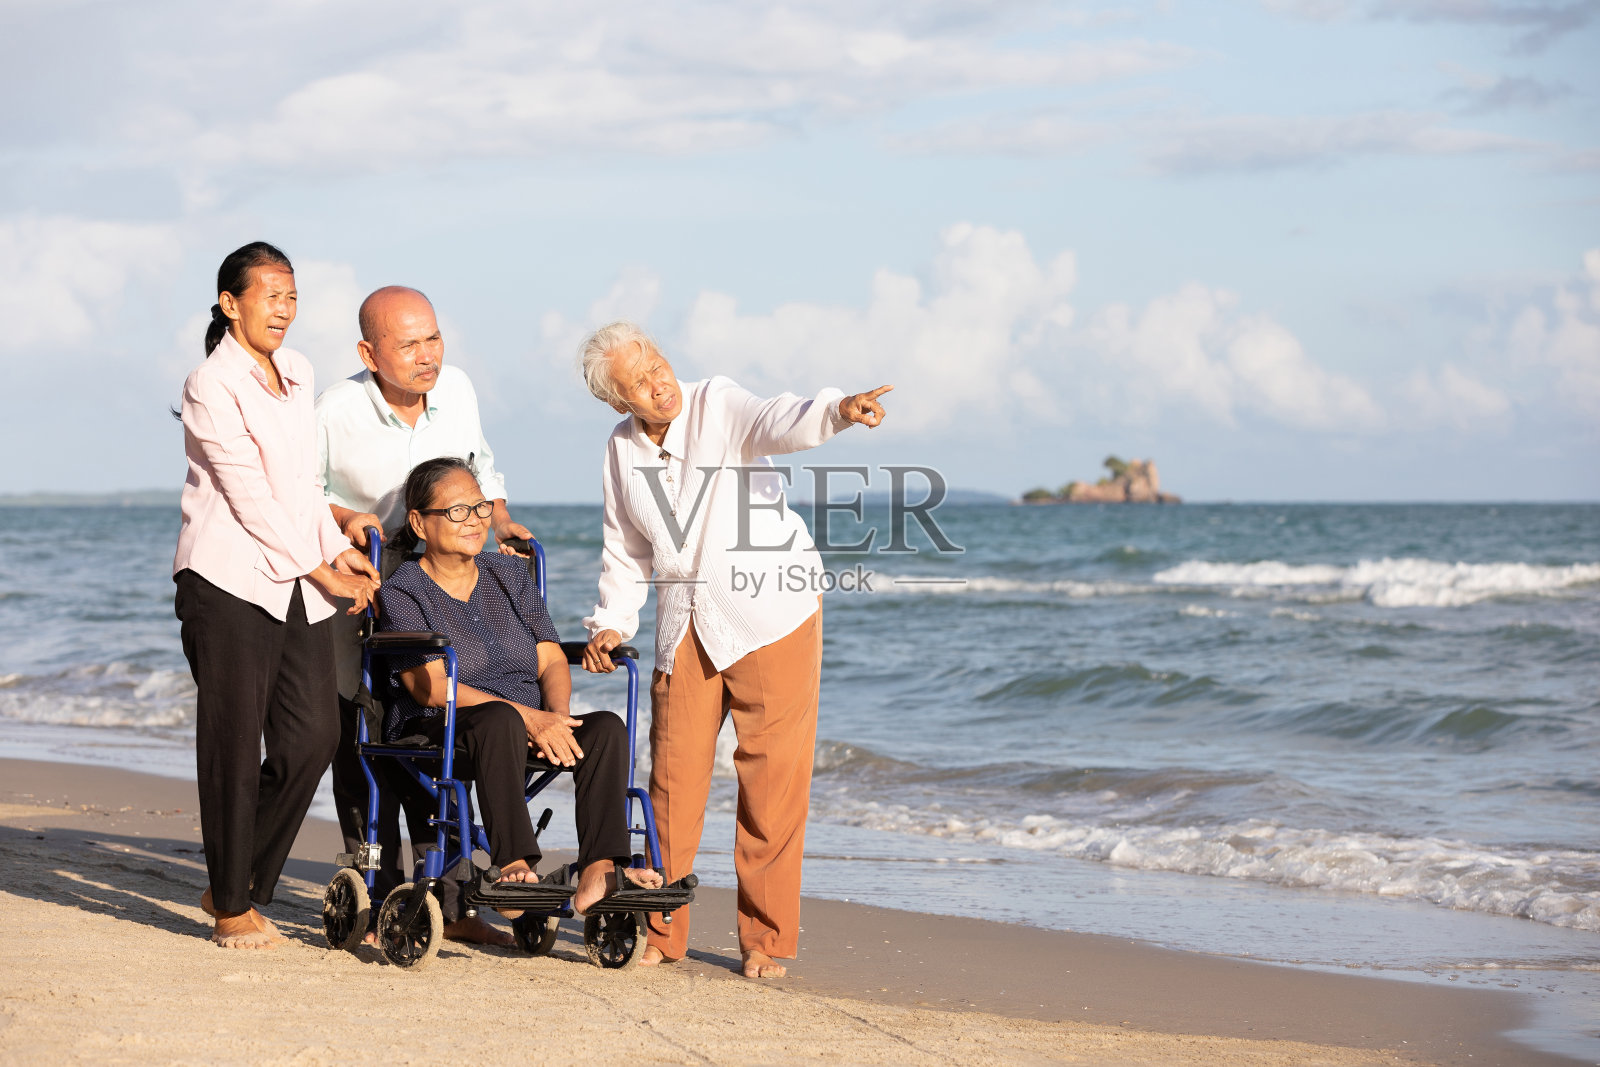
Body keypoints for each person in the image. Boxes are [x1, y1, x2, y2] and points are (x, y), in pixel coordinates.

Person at [577, 321, 890, 978]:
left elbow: (778, 419)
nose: (659, 381)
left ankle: (765, 939)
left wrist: (836, 411)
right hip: (683, 623)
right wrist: (612, 620)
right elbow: (626, 546)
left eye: (657, 361)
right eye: (639, 379)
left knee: (772, 783)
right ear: (618, 400)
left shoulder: (717, 402)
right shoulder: (620, 450)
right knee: (670, 782)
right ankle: (660, 931)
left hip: (769, 613)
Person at [172, 241, 380, 949]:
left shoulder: (296, 371)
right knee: (232, 744)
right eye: (270, 295)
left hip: (291, 577)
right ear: (231, 303)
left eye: (291, 296)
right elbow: (248, 495)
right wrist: (319, 569)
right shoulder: (209, 384)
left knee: (313, 736)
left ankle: (234, 878)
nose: (284, 309)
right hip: (225, 579)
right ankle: (233, 906)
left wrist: (335, 551)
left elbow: (300, 489)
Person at [315, 285, 531, 945]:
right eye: (408, 344)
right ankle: (377, 887)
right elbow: (296, 495)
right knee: (364, 734)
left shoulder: (458, 390)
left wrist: (500, 520)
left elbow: (482, 470)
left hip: (442, 570)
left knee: (446, 727)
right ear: (369, 352)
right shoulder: (336, 409)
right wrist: (345, 521)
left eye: (432, 338)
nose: (426, 355)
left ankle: (457, 901)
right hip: (363, 574)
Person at [378, 457, 662, 917]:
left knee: (606, 728)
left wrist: (556, 718)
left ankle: (599, 869)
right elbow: (430, 687)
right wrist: (527, 717)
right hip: (442, 728)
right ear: (419, 522)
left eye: (480, 507)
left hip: (523, 723)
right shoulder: (403, 590)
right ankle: (513, 865)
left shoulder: (508, 575)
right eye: (456, 511)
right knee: (500, 717)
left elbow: (549, 657)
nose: (474, 521)